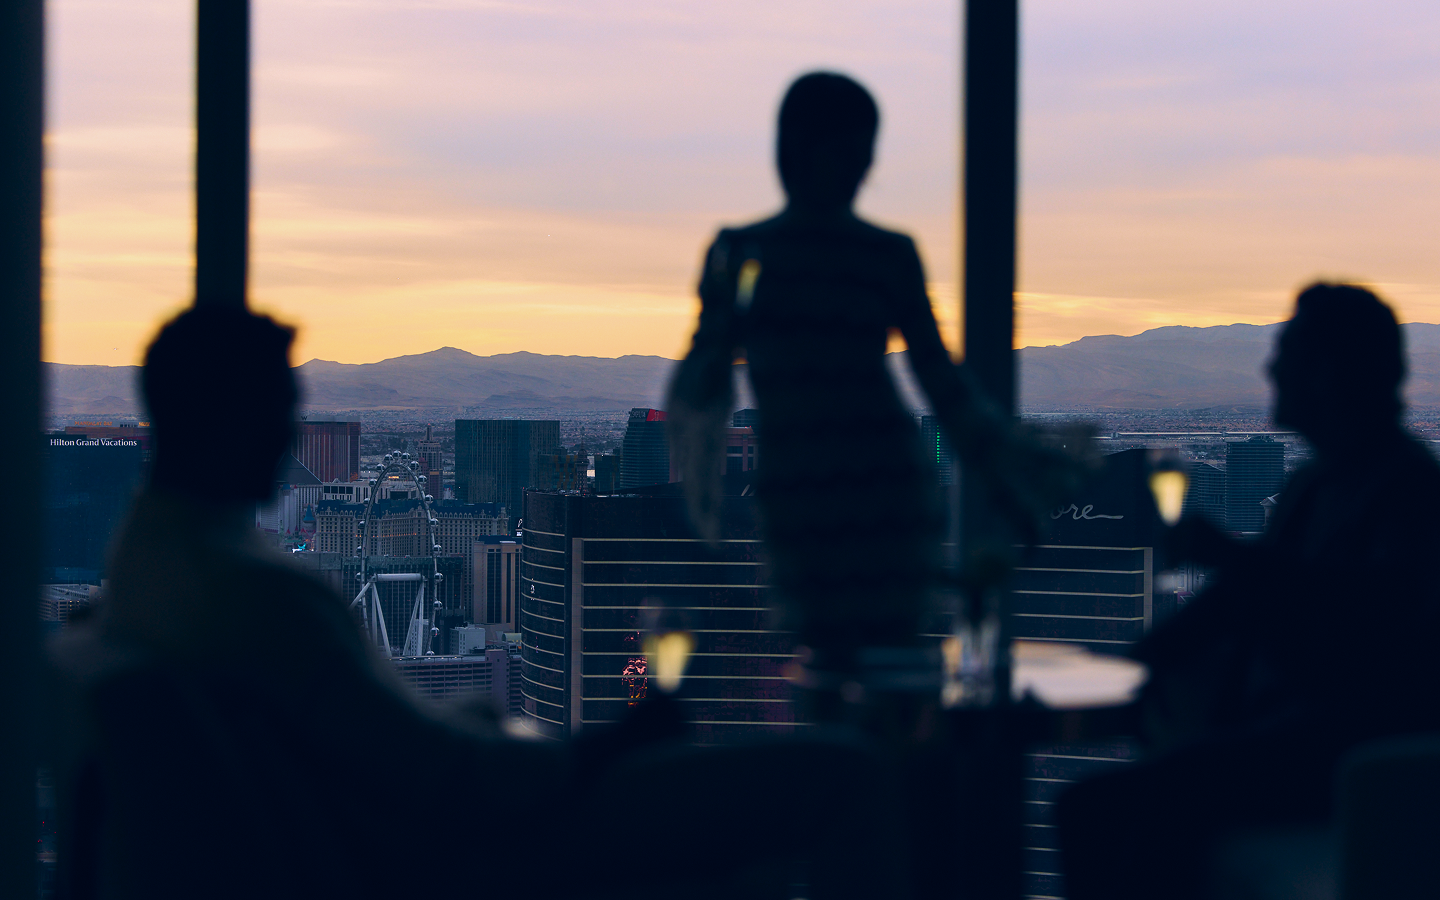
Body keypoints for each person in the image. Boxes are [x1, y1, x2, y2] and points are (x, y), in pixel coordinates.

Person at [49, 307, 562, 900]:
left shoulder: (141, 563)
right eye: (277, 412)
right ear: (227, 422)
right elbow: (438, 771)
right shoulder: (260, 597)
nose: (286, 437)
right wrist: (593, 754)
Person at [667, 72, 1072, 674]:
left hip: (804, 482)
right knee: (887, 670)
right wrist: (1009, 469)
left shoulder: (743, 252)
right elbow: (943, 386)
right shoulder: (884, 252)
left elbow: (705, 370)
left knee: (837, 668)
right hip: (883, 478)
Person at [1057, 283, 1440, 900]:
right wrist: (1130, 666)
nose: (1269, 368)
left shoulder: (1406, 491)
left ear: (1329, 371)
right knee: (1091, 806)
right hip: (1295, 738)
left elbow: (1369, 618)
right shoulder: (1322, 483)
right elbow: (1242, 596)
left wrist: (1218, 558)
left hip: (1344, 754)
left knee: (1123, 803)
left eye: (1286, 350)